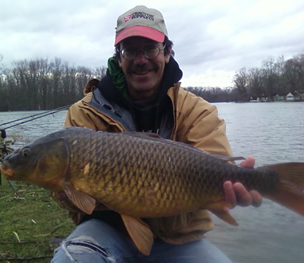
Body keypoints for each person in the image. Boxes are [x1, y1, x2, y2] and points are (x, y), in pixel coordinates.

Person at [51, 5, 262, 263]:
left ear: (167, 52)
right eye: (130, 50)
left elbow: (215, 166)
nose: (141, 60)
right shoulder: (83, 114)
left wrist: (234, 189)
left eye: (150, 48)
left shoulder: (199, 111)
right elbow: (69, 197)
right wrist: (69, 196)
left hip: (178, 239)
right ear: (119, 57)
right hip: (106, 231)